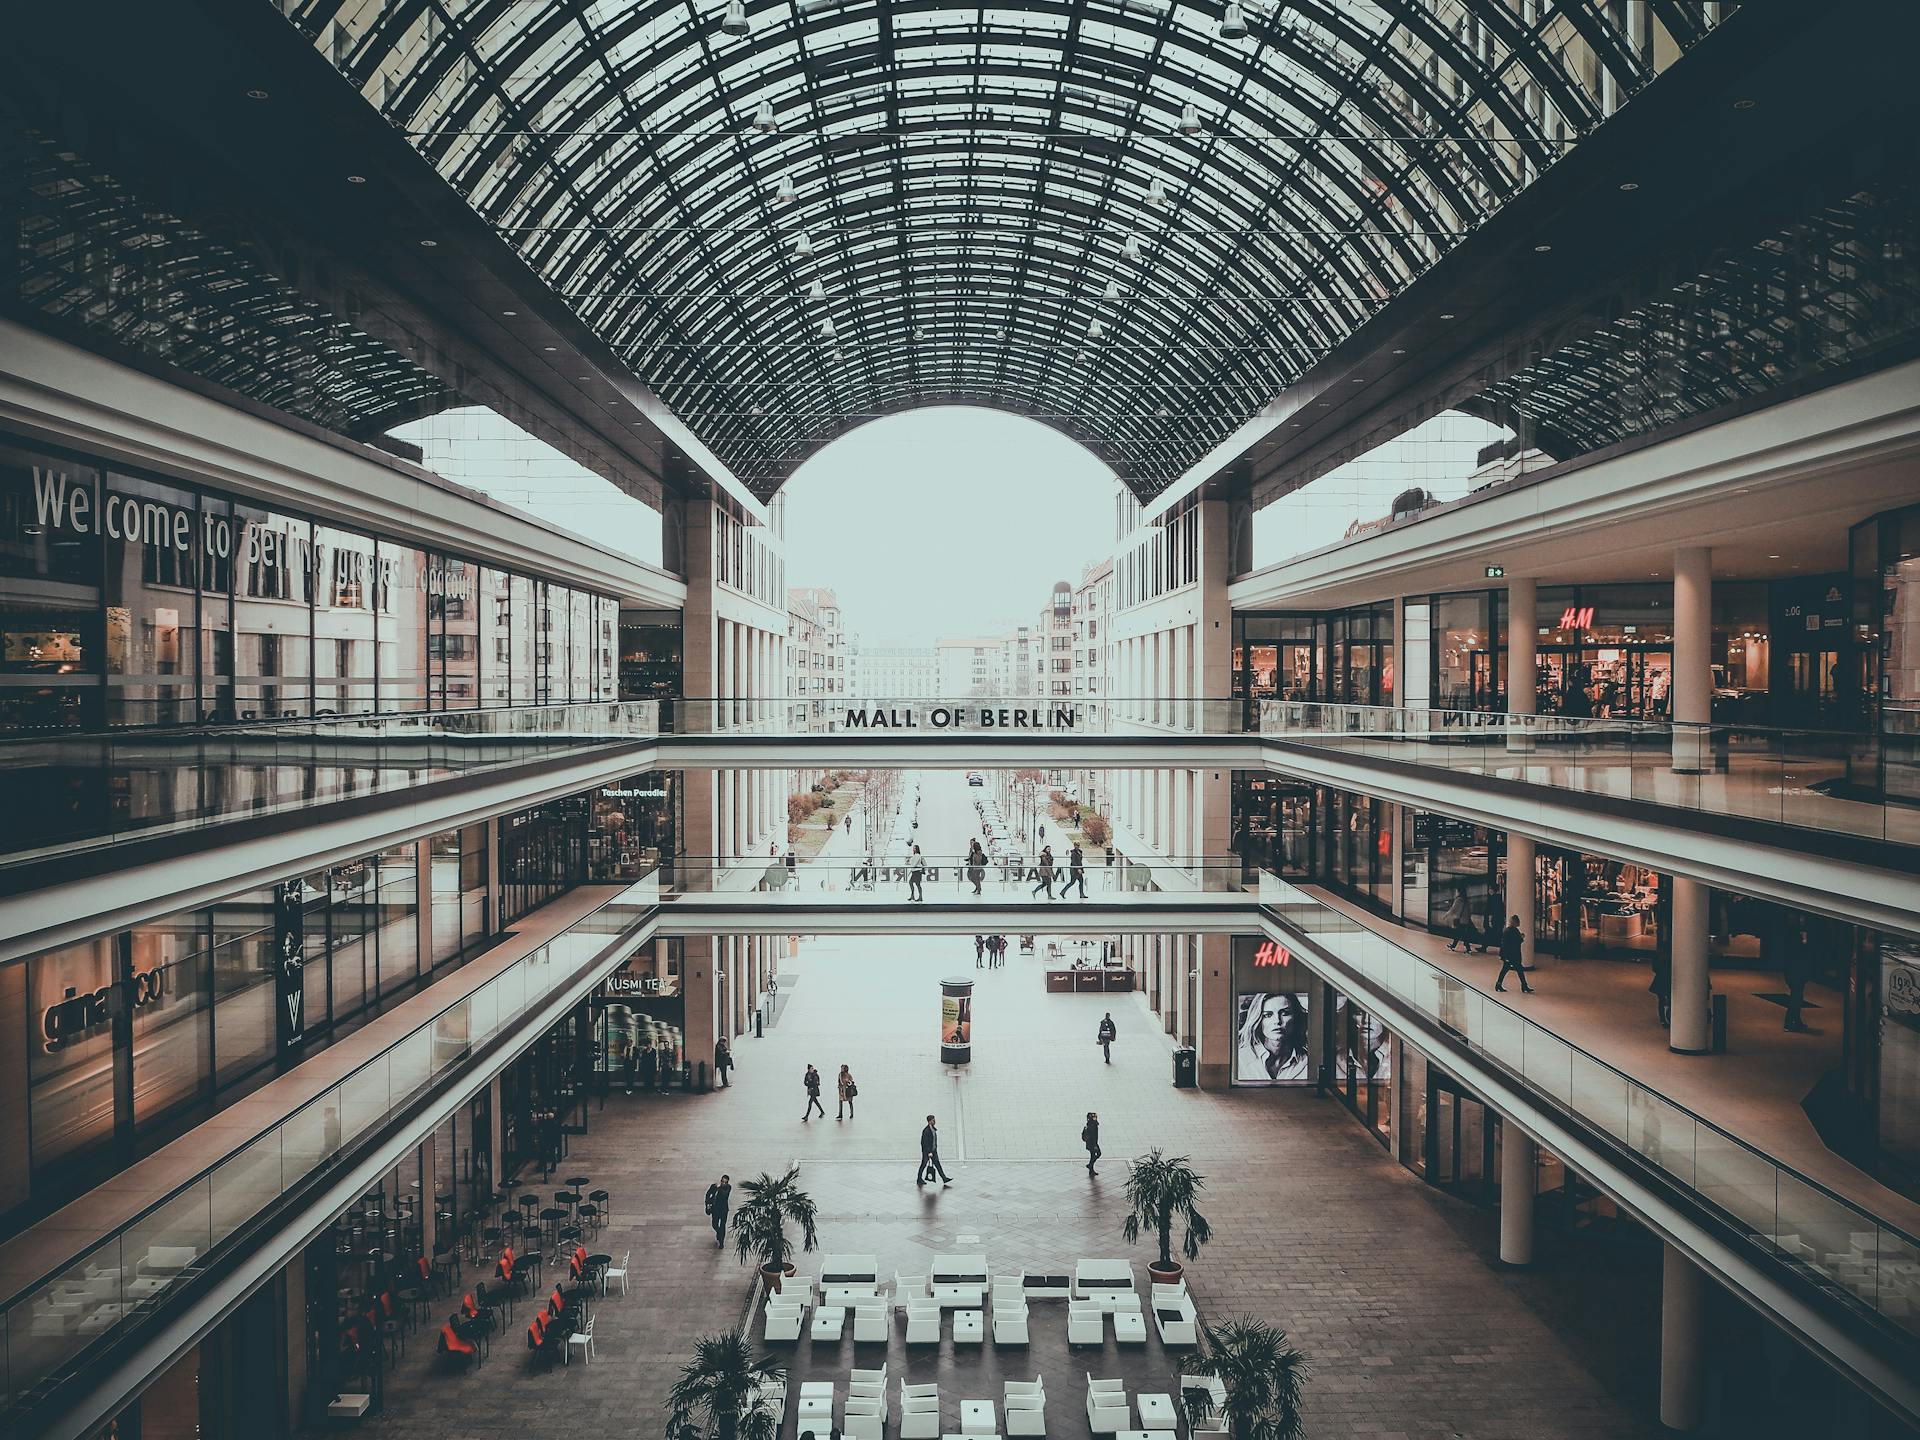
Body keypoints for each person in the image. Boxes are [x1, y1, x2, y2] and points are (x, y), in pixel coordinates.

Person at [1236, 992, 1310, 1082]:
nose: (1277, 1021)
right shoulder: (1241, 1060)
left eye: (1285, 1013)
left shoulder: (1308, 1062)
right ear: (1259, 1020)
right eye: (1268, 1015)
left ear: (1296, 1017)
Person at [1494, 915, 1534, 994]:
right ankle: (1524, 986)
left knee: (1508, 970)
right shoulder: (1512, 931)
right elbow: (1511, 943)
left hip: (1511, 955)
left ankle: (1499, 984)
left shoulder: (1510, 931)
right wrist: (1521, 938)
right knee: (1517, 970)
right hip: (1512, 955)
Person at [918, 1114, 952, 1186]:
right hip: (927, 1152)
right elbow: (924, 1143)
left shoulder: (933, 1129)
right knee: (923, 1165)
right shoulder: (926, 1131)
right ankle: (919, 1179)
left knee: (938, 1165)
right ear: (930, 1121)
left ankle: (944, 1178)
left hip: (933, 1151)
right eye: (933, 1120)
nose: (935, 1121)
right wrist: (929, 1152)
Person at [704, 1174, 731, 1247]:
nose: (724, 1183)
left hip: (723, 1210)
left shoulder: (728, 1188)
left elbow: (725, 1195)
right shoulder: (714, 1186)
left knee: (722, 1225)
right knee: (714, 1224)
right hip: (715, 1210)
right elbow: (708, 1194)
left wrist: (719, 1188)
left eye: (725, 1182)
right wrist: (707, 1204)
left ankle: (721, 1242)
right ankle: (719, 1233)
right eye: (722, 1182)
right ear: (721, 1181)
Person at [1648, 952, 1672, 1027]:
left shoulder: (1659, 956)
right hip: (1666, 981)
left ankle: (1663, 1020)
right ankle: (1666, 1018)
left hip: (1660, 981)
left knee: (1662, 1000)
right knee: (1667, 1000)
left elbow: (1655, 969)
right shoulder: (1670, 958)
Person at [1081, 1111, 1101, 1177]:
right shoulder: (1093, 1125)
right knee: (1098, 1154)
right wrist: (1095, 1145)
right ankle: (1090, 1165)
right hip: (1092, 1143)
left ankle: (1091, 1169)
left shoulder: (1091, 1124)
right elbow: (1093, 1136)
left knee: (1092, 1155)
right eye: (1094, 1117)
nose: (1095, 1118)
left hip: (1091, 1143)